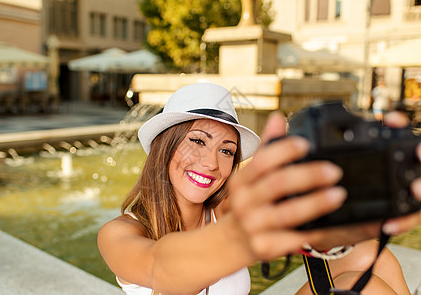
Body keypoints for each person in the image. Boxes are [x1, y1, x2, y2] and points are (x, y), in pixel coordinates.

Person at [98, 83, 421, 295]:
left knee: (370, 254)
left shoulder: (220, 209)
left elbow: (278, 177)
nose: (211, 163)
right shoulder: (120, 234)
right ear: (163, 147)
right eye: (197, 141)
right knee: (358, 287)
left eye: (226, 150)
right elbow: (162, 269)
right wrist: (244, 238)